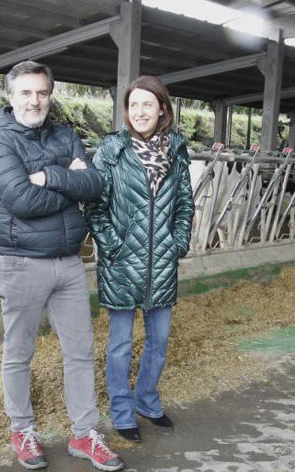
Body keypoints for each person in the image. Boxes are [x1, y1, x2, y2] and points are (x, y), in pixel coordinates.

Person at [0, 60, 124, 472]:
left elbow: (96, 186)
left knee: (80, 350)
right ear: (11, 97)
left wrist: (48, 176)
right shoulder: (0, 143)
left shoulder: (64, 134)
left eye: (42, 92)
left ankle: (84, 433)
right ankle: (22, 430)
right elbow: (22, 201)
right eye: (25, 93)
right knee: (19, 351)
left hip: (69, 261)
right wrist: (69, 179)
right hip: (21, 261)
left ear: (50, 94)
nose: (35, 100)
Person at [86, 75, 195, 443]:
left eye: (147, 104)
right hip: (121, 263)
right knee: (120, 342)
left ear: (162, 108)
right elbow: (95, 206)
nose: (140, 111)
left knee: (159, 339)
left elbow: (185, 204)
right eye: (134, 105)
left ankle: (147, 400)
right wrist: (111, 245)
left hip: (162, 262)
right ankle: (121, 410)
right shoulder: (111, 151)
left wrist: (177, 242)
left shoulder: (177, 152)